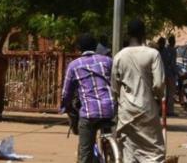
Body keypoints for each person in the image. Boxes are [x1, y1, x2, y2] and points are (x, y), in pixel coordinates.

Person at [112, 19, 166, 162]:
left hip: (127, 112)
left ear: (128, 34)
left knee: (129, 152)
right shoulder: (153, 54)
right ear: (144, 34)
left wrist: (121, 101)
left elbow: (114, 87)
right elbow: (159, 84)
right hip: (147, 108)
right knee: (154, 152)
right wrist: (158, 99)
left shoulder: (119, 56)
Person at [60, 33, 116, 163]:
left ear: (79, 48)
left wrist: (64, 107)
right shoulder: (107, 61)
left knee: (85, 153)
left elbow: (66, 93)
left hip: (89, 113)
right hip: (110, 109)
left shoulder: (74, 65)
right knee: (108, 129)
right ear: (96, 46)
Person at [157, 36, 178, 116]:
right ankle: (170, 111)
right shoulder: (172, 50)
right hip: (170, 74)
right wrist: (176, 73)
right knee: (171, 93)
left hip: (161, 74)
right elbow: (173, 63)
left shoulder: (162, 51)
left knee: (162, 93)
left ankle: (161, 110)